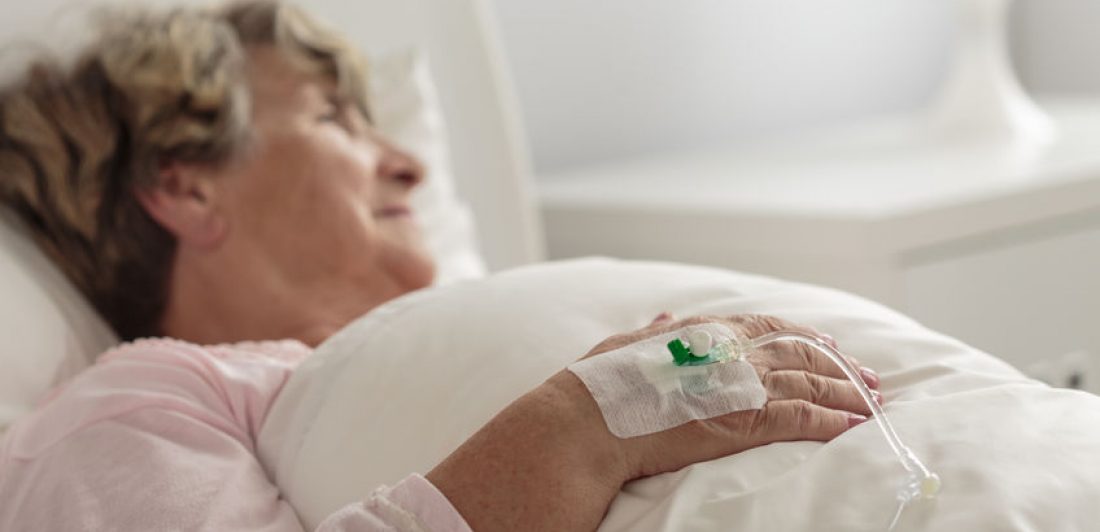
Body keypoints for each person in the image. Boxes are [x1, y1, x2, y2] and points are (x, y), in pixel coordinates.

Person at [0, 1, 882, 530]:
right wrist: (582, 426)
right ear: (184, 187)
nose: (411, 166)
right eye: (334, 120)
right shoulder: (122, 412)